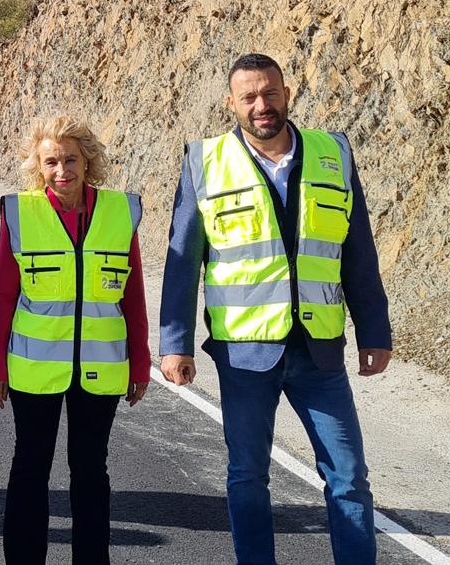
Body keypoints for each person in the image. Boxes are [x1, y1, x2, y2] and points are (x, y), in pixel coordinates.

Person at [160, 53, 393, 565]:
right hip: (244, 355)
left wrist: (375, 331)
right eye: (248, 97)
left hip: (319, 351)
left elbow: (358, 251)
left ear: (286, 93)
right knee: (247, 477)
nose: (260, 105)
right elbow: (183, 262)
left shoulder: (334, 153)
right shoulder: (205, 161)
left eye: (269, 93)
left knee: (349, 477)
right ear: (231, 104)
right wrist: (174, 344)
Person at [0, 117, 150, 564]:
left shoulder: (118, 211)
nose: (62, 170)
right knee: (30, 471)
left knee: (92, 473)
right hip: (34, 370)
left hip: (102, 368)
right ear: (38, 166)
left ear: (87, 160)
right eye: (51, 161)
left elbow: (132, 293)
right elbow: (3, 293)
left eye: (71, 159)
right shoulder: (21, 212)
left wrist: (141, 363)